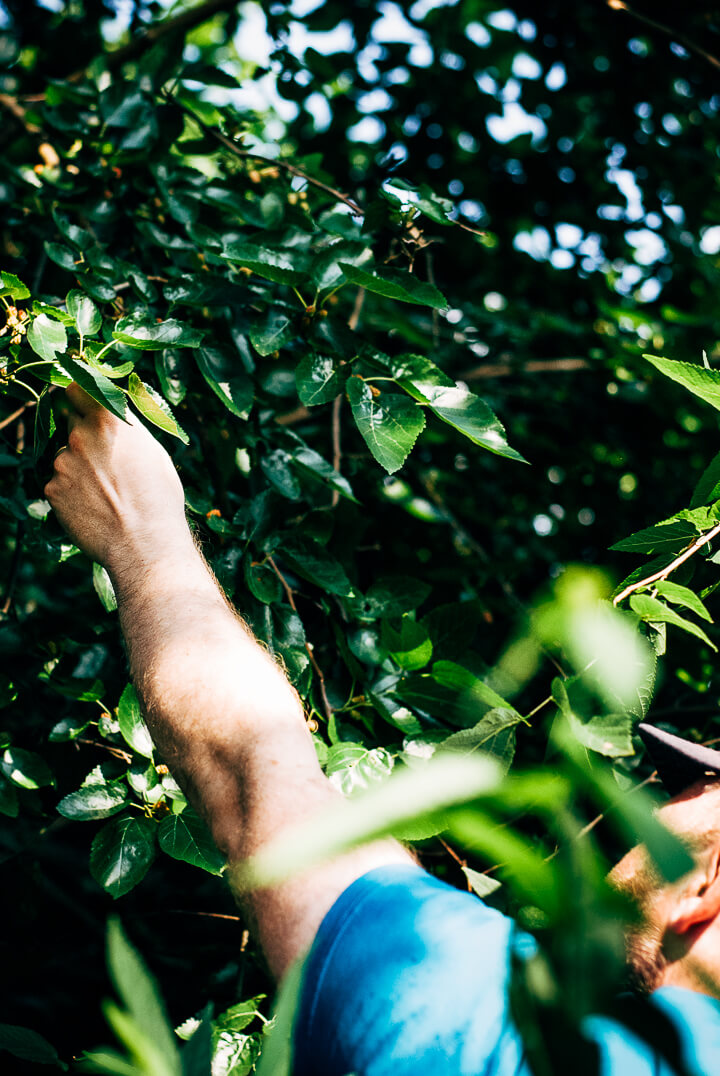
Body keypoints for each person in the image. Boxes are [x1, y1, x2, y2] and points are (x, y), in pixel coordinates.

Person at [45, 383, 720, 1076]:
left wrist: (142, 528)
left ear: (710, 883)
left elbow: (254, 775)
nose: (654, 805)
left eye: (687, 787)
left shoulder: (518, 1032)